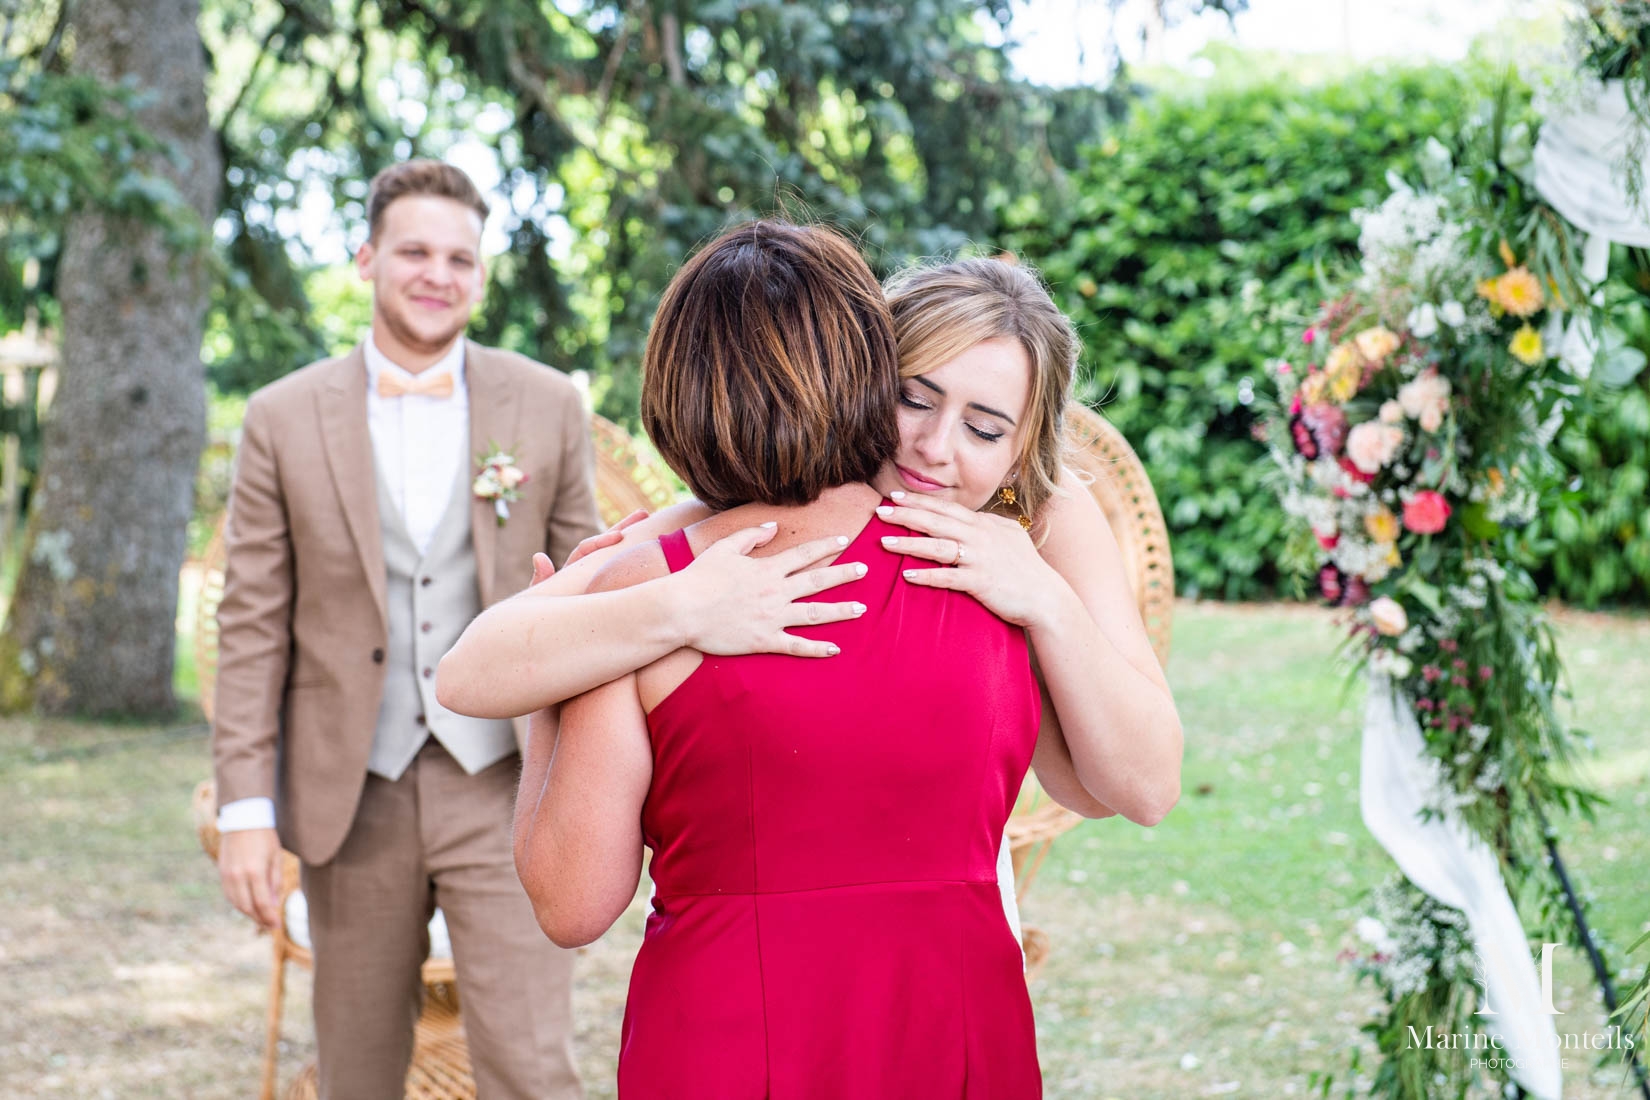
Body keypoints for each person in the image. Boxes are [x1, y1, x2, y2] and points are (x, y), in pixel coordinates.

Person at [439, 256, 1181, 830]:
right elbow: (468, 675)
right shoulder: (786, 493)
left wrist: (1046, 600)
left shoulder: (1043, 514)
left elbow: (1135, 791)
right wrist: (672, 602)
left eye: (984, 428)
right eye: (912, 398)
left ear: (1023, 450)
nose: (932, 446)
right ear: (861, 382)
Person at [210, 159, 597, 1099]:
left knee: (531, 1066)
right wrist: (246, 813)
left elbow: (594, 600)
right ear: (366, 257)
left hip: (508, 783)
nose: (438, 274)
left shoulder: (547, 405)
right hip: (352, 793)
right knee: (357, 1071)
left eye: (460, 257)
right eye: (415, 251)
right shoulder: (281, 416)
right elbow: (252, 625)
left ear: (480, 273)